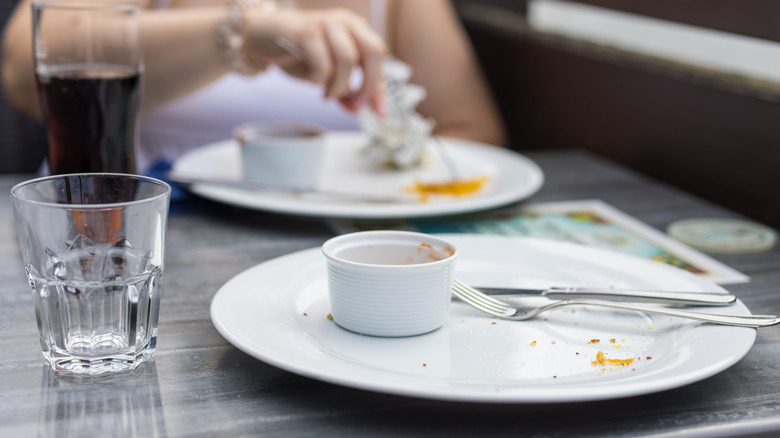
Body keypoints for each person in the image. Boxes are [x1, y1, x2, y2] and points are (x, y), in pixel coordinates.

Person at [2, 0, 505, 173]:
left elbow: (472, 131)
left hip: (335, 250)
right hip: (137, 258)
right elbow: (27, 72)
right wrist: (237, 35)